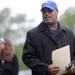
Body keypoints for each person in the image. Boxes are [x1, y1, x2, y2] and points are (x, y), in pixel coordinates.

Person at [22, 1, 75, 75]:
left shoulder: (68, 33)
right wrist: (45, 68)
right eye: (44, 12)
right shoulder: (32, 34)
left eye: (49, 11)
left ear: (57, 12)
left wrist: (73, 65)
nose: (46, 14)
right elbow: (27, 58)